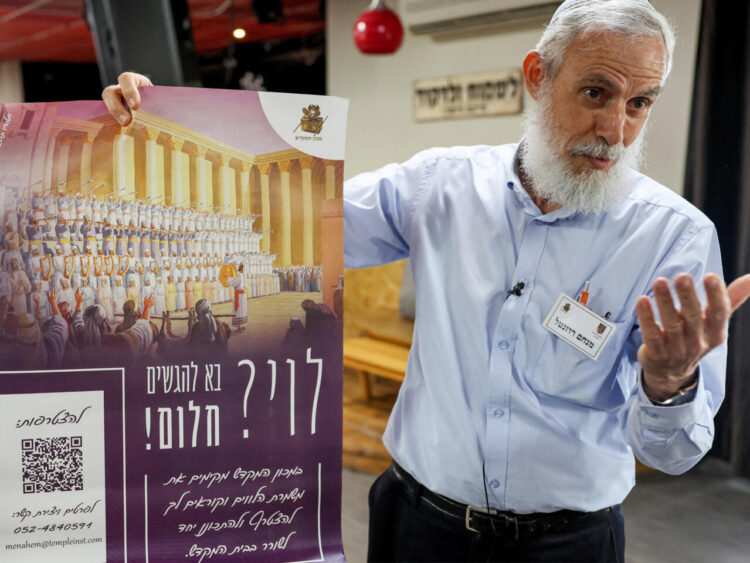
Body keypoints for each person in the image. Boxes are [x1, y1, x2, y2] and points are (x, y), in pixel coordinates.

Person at [104, 2, 750, 559]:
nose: (616, 129)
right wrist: (159, 120)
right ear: (537, 76)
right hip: (419, 526)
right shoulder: (439, 184)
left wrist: (669, 388)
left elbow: (674, 454)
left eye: (640, 104)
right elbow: (303, 229)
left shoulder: (675, 239)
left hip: (569, 545)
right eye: (595, 93)